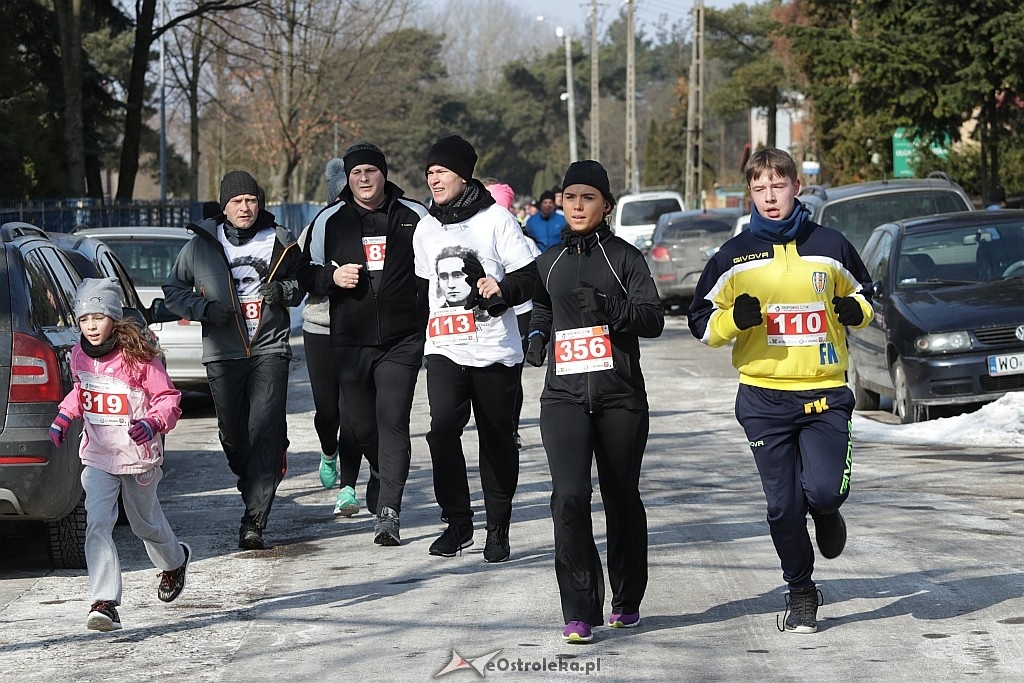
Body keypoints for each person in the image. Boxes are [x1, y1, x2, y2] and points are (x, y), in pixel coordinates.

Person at [688, 147, 874, 634]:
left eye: (778, 185)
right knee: (781, 505)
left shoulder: (831, 244)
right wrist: (734, 320)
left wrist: (857, 312)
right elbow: (701, 324)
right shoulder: (733, 256)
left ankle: (827, 512)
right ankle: (801, 592)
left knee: (825, 491)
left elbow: (865, 294)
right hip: (764, 399)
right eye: (760, 188)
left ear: (797, 187)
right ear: (749, 193)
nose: (770, 197)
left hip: (825, 394)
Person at [526, 160, 664, 643]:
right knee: (568, 497)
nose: (578, 206)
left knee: (621, 497)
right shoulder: (551, 259)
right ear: (560, 203)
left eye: (588, 198)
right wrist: (538, 333)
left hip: (619, 398)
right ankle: (579, 610)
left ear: (605, 204)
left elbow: (652, 318)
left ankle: (626, 599)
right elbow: (543, 303)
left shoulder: (624, 258)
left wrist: (612, 310)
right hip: (563, 397)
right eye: (570, 197)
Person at [163, 170, 305, 550]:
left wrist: (283, 290)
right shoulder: (202, 245)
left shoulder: (280, 240)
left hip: (269, 347)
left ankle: (254, 519)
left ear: (260, 204)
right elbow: (173, 291)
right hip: (223, 352)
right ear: (225, 207)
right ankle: (259, 473)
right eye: (238, 201)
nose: (246, 208)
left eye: (252, 200)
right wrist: (205, 309)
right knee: (234, 436)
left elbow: (301, 283)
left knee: (264, 429)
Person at [413, 135, 539, 563]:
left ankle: (497, 527)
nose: (433, 179)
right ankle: (458, 522)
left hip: (495, 350)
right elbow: (421, 289)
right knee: (442, 429)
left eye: (441, 171)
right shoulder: (426, 228)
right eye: (429, 172)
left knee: (497, 440)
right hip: (445, 347)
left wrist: (500, 286)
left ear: (462, 176)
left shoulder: (496, 220)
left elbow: (530, 278)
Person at [296, 143, 427, 547]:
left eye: (372, 170)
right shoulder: (328, 221)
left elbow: (438, 268)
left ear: (384, 174)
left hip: (402, 339)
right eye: (356, 173)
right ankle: (378, 469)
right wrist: (332, 281)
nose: (364, 178)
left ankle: (389, 512)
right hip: (349, 340)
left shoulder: (415, 216)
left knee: (392, 420)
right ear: (347, 178)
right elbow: (304, 273)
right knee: (362, 425)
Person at [49, 278, 189, 632]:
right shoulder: (79, 353)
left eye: (98, 317)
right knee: (97, 522)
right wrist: (65, 416)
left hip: (138, 455)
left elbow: (168, 399)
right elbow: (82, 392)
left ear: (114, 317)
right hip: (97, 455)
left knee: (144, 523)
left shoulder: (138, 357)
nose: (91, 326)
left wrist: (153, 423)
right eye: (84, 320)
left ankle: (174, 561)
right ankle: (104, 601)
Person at [299, 157, 376, 517]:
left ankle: (348, 488)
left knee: (352, 412)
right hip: (319, 328)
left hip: (358, 332)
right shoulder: (318, 225)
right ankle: (327, 449)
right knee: (327, 410)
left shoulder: (373, 224)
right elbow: (300, 273)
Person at [484, 177, 541, 449]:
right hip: (483, 317)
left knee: (510, 375)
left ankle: (511, 428)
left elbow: (539, 277)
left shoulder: (524, 242)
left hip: (520, 313)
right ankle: (491, 424)